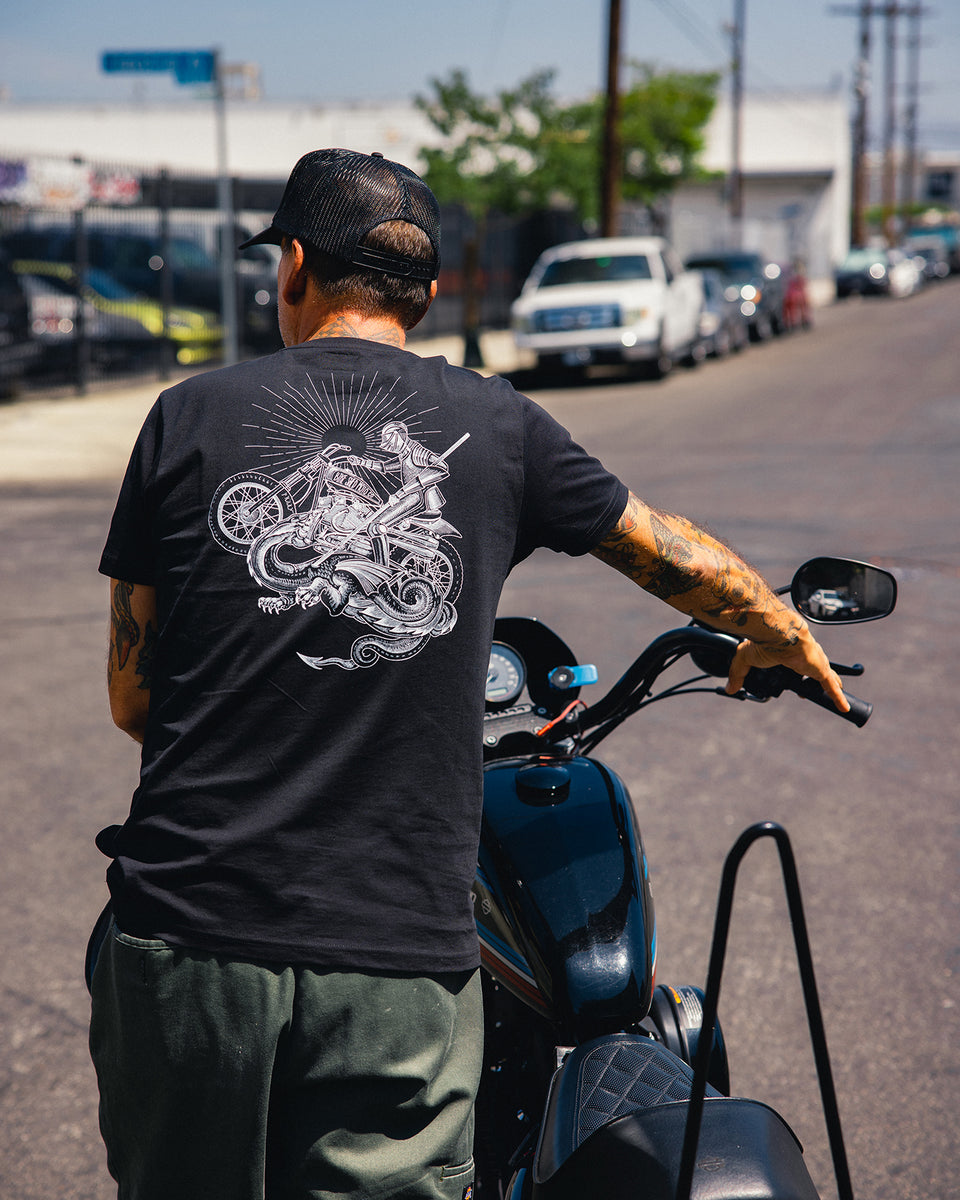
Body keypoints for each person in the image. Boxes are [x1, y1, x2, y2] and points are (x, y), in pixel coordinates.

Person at [91, 148, 848, 1200]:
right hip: (392, 957)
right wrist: (781, 631)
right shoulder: (503, 425)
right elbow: (667, 550)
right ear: (429, 291)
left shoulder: (184, 415)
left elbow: (134, 698)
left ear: (295, 265)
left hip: (189, 940)